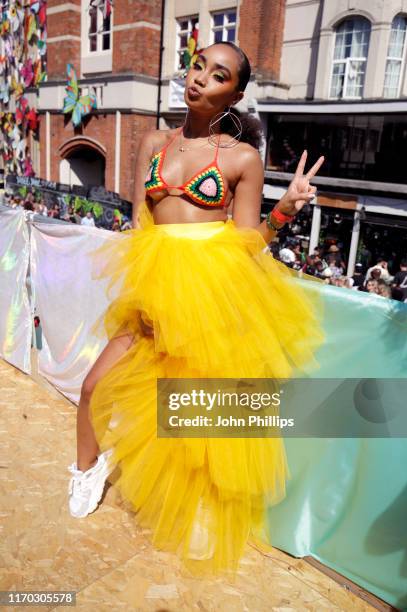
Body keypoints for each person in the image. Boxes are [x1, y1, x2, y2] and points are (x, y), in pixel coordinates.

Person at [67, 42, 325, 576]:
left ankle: (201, 500)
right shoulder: (154, 141)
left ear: (236, 93)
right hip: (153, 285)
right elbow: (142, 219)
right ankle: (85, 469)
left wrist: (286, 207)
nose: (200, 78)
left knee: (193, 409)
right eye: (198, 66)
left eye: (218, 74)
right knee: (95, 387)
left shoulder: (242, 158)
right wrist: (145, 291)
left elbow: (248, 239)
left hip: (210, 293)